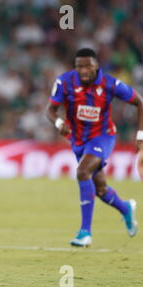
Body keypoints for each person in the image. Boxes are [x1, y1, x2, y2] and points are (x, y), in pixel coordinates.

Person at [45, 48, 143, 247]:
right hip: (77, 139)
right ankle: (125, 208)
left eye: (88, 65)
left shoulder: (110, 84)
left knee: (82, 172)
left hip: (102, 137)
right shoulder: (64, 82)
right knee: (100, 189)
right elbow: (50, 110)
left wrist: (140, 136)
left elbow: (140, 102)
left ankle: (85, 233)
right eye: (79, 66)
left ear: (97, 65)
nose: (83, 70)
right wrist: (58, 124)